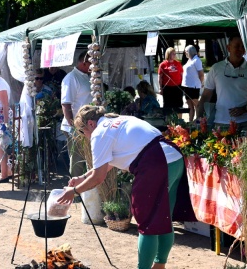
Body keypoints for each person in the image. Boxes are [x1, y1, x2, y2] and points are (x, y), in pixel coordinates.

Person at [57, 105, 195, 269]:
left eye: (82, 132)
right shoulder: (119, 121)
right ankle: (160, 265)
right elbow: (106, 165)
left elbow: (99, 177)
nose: (84, 136)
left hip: (156, 163)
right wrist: (82, 178)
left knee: (147, 223)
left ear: (90, 124)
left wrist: (74, 192)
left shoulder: (99, 133)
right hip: (174, 157)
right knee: (165, 218)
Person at [197, 36, 247, 131]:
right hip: (222, 123)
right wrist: (198, 118)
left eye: (243, 47)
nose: (240, 49)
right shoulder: (216, 68)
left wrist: (244, 109)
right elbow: (206, 96)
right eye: (237, 46)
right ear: (228, 48)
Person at [61, 51, 92, 178]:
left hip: (89, 126)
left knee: (89, 158)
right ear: (84, 63)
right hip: (76, 127)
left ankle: (88, 190)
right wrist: (73, 125)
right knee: (77, 161)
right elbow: (66, 103)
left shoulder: (88, 76)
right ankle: (75, 191)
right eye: (92, 62)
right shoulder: (71, 78)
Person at [181, 45, 204, 122]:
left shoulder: (197, 60)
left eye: (186, 51)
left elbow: (201, 74)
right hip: (186, 86)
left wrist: (201, 83)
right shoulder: (189, 60)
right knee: (189, 105)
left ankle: (198, 120)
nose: (185, 53)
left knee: (196, 104)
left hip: (193, 86)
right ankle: (190, 121)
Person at [158, 47, 183, 116]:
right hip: (167, 87)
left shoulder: (178, 63)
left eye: (175, 54)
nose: (174, 55)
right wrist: (160, 88)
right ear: (168, 54)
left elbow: (181, 74)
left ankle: (179, 120)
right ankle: (168, 121)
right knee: (167, 104)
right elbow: (160, 77)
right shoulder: (163, 64)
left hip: (177, 87)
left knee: (178, 104)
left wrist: (182, 85)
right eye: (173, 54)